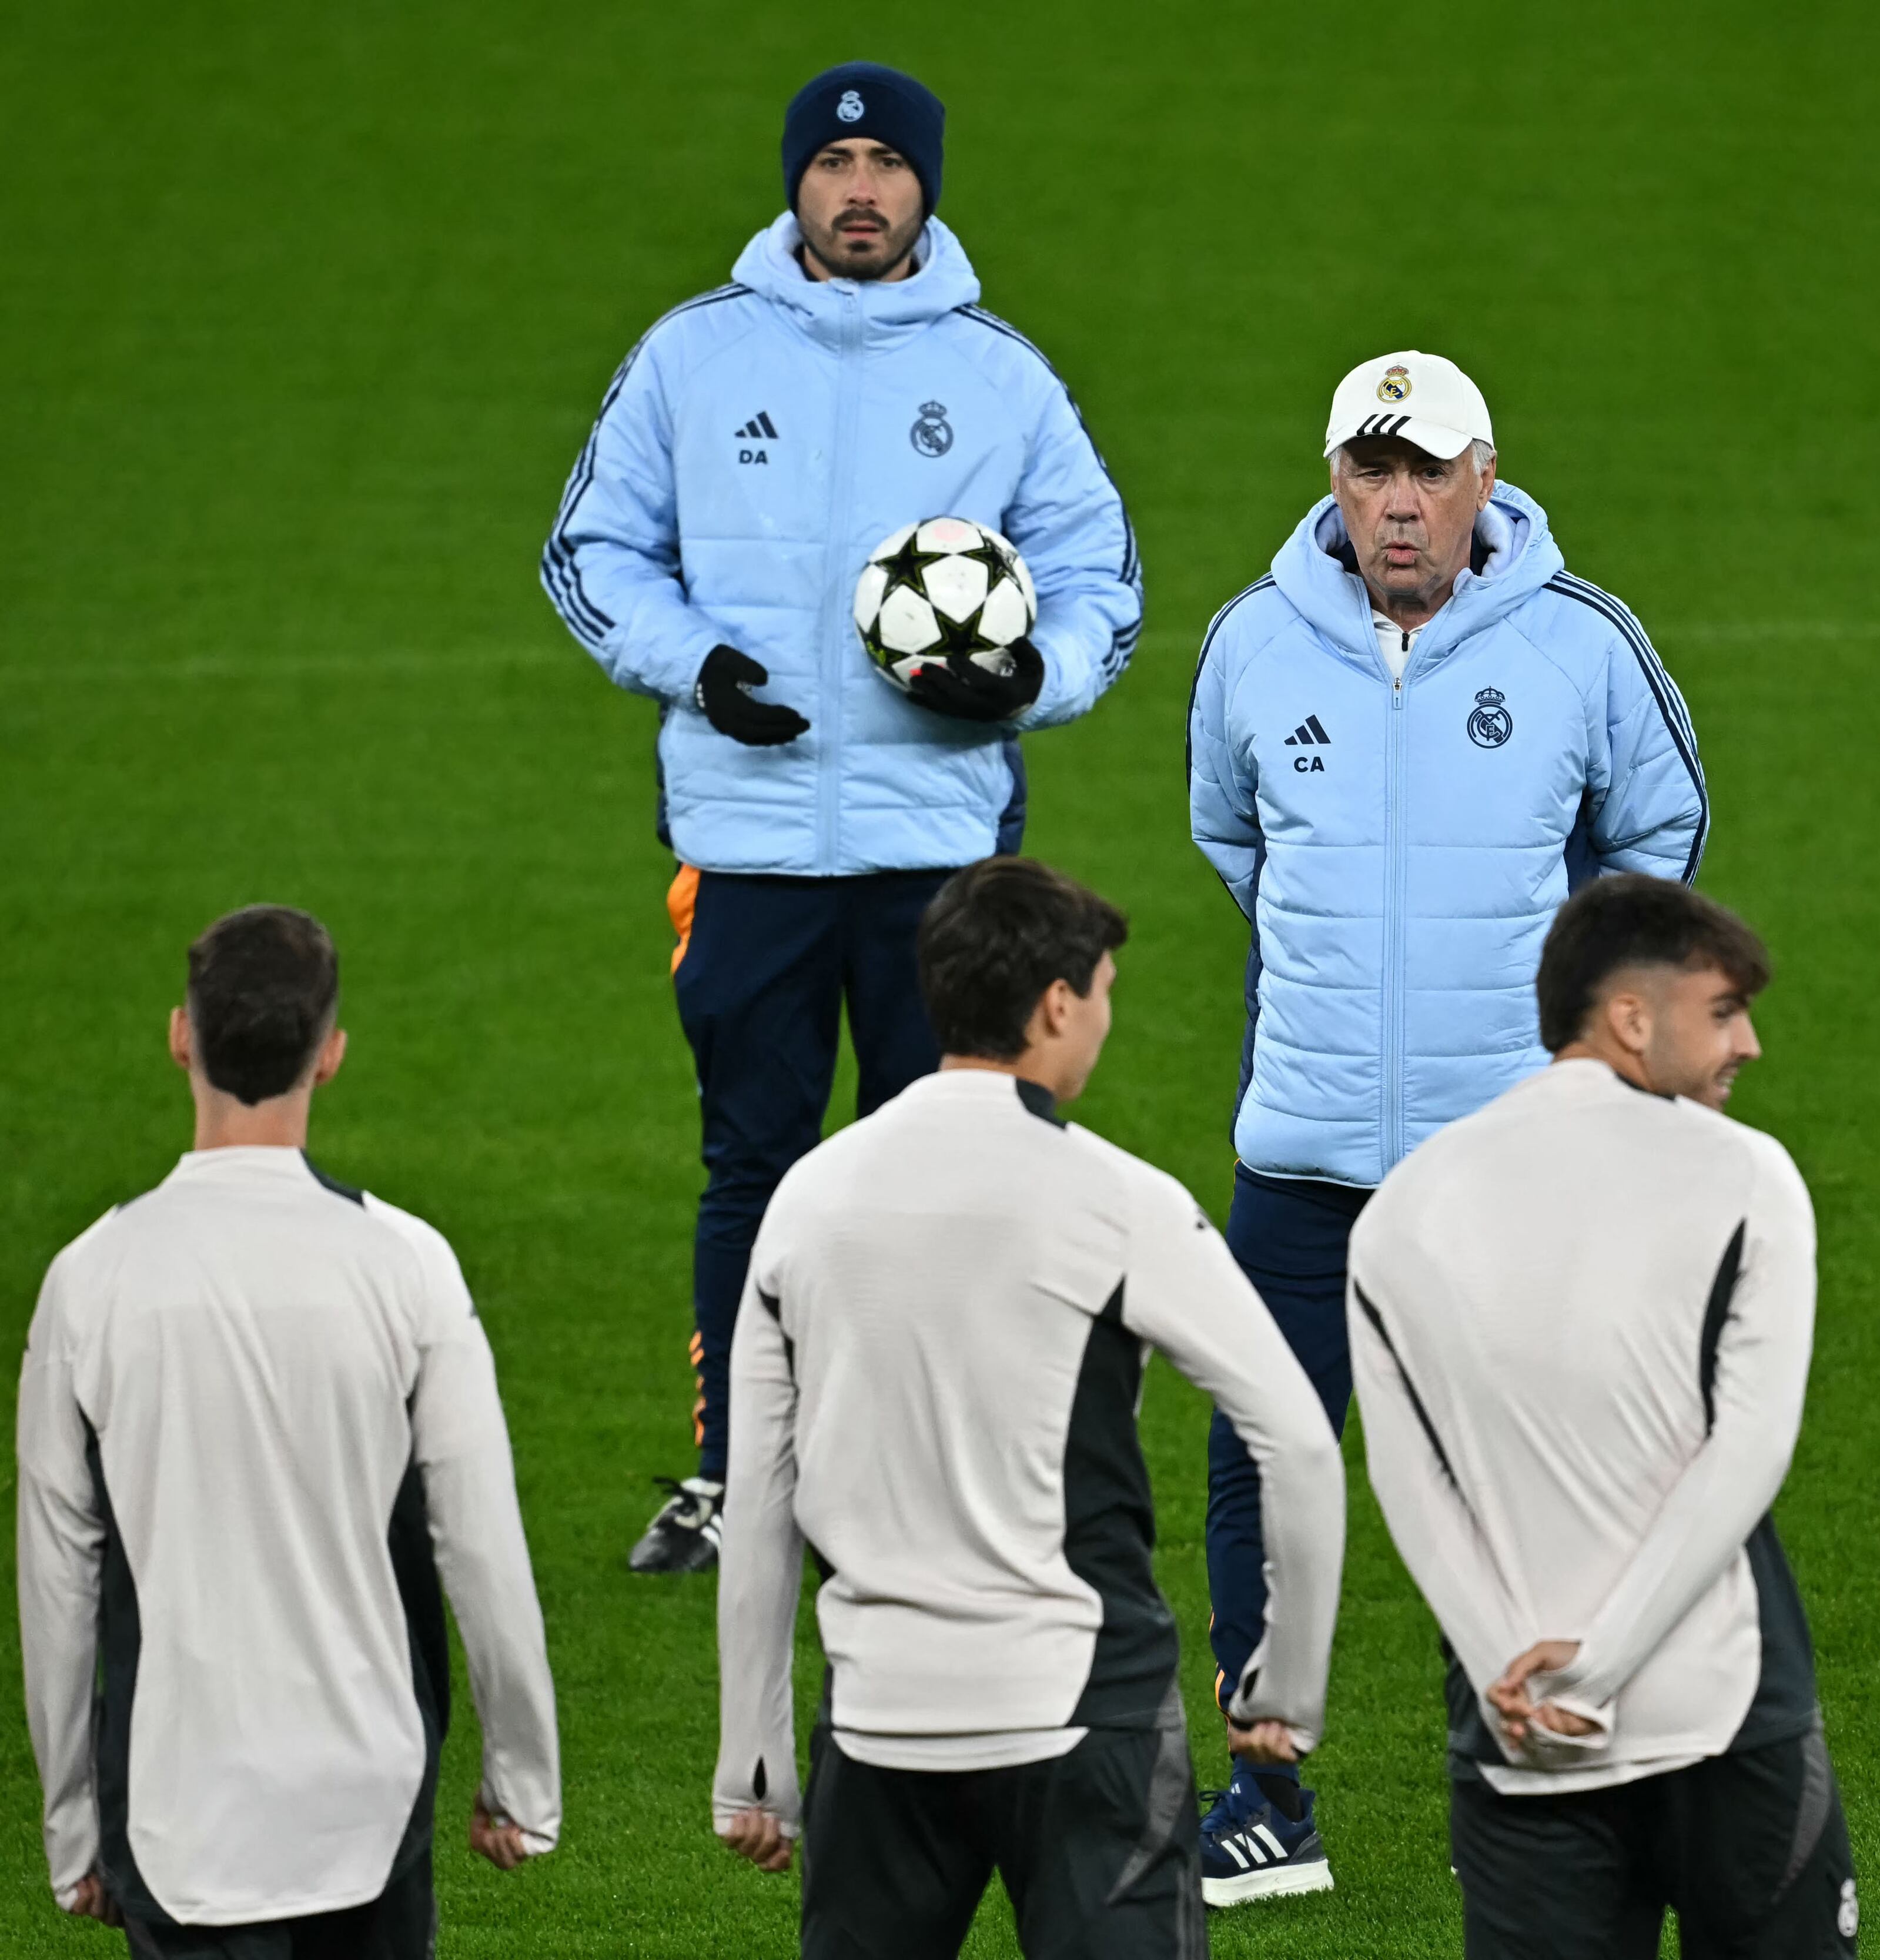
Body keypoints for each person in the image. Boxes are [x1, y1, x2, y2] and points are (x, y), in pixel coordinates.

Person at [541, 60, 1145, 1571]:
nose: (859, 191)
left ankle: (911, 1480)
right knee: (752, 1166)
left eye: (885, 165)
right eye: (833, 164)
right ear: (795, 182)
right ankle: (734, 1475)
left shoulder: (1001, 376)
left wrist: (1030, 676)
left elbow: (1102, 583)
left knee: (932, 1177)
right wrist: (697, 667)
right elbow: (592, 552)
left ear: (925, 185)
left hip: (940, 862)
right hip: (745, 850)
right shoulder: (692, 356)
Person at [1182, 350, 1709, 1897]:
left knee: (1529, 1469)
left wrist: (1573, 1020)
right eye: (1372, 470)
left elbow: (1659, 833)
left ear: (1484, 478)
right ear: (1335, 482)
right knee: (1265, 1456)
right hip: (1303, 1150)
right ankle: (1268, 1787)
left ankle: (1530, 1752)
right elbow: (1232, 834)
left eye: (1427, 472)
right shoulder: (1253, 642)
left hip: (1511, 1164)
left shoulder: (1581, 642)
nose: (1399, 504)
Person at [711, 857, 1344, 1958]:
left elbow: (760, 1490)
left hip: (879, 1725)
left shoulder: (807, 1199)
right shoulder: (1119, 1199)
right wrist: (1280, 1685)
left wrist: (752, 1756)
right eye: (1101, 991)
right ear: (1056, 1003)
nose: (1104, 1018)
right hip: (1083, 1716)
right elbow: (1296, 1440)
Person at [18, 906, 561, 1957]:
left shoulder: (89, 1280)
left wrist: (72, 1826)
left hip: (177, 1817)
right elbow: (481, 1543)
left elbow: (58, 1580)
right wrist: (521, 1778)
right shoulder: (408, 1265)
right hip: (368, 1804)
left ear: (181, 1036)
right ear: (332, 1054)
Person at [1348, 875, 1859, 1959]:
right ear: (1631, 1017)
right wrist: (1599, 1666)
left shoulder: (1403, 1207)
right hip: (1727, 1716)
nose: (1750, 1043)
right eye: (1724, 1011)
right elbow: (1748, 1450)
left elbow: (1409, 1481)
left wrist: (1510, 1669)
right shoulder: (1747, 1174)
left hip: (1516, 1732)